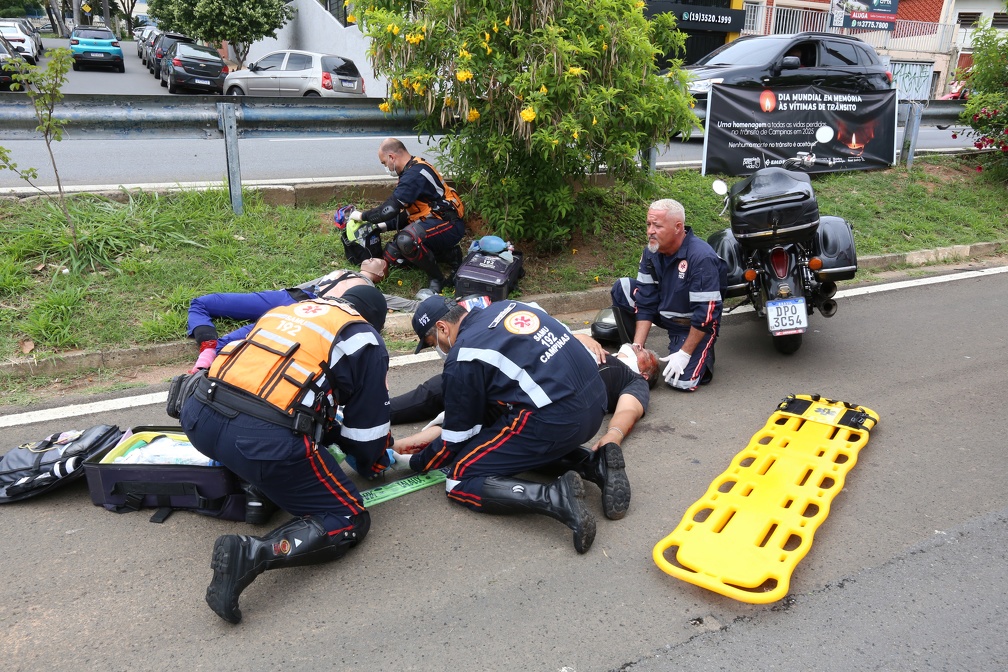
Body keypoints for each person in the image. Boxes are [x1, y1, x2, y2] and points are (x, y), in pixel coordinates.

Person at [179, 286, 394, 624]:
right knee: (348, 515)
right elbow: (366, 434)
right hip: (261, 442)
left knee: (278, 436)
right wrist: (374, 462)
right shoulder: (364, 339)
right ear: (374, 322)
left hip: (198, 417)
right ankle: (253, 553)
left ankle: (257, 483)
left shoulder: (291, 311)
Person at [389, 295, 614, 554]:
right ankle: (595, 464)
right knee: (500, 439)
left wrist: (416, 462)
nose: (438, 348)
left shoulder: (463, 354)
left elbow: (457, 437)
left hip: (557, 422)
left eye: (432, 343)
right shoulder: (506, 308)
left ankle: (555, 497)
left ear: (442, 327)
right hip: (596, 405)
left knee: (461, 478)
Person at [390, 333, 659, 520]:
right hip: (521, 393)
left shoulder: (632, 379)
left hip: (535, 405)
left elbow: (628, 409)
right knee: (441, 396)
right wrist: (582, 339)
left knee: (467, 467)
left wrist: (613, 436)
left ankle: (558, 493)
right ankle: (593, 465)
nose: (637, 346)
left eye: (644, 352)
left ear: (646, 373)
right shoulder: (594, 347)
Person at [186, 258, 413, 372]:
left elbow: (402, 303)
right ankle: (208, 348)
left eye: (377, 262)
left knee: (231, 342)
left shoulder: (370, 292)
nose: (372, 259)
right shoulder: (342, 273)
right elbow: (305, 285)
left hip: (306, 312)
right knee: (201, 303)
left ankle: (209, 356)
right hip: (292, 297)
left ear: (381, 274)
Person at [609, 198, 724, 392]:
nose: (650, 231)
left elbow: (705, 316)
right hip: (664, 311)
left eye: (657, 225)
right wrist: (637, 347)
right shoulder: (651, 251)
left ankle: (700, 347)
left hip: (692, 323)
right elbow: (645, 301)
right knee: (623, 288)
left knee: (682, 383)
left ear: (678, 227)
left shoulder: (701, 257)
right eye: (648, 224)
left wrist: (685, 354)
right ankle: (635, 356)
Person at [347, 138, 466, 293]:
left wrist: (362, 216)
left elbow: (389, 210)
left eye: (384, 163)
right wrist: (379, 227)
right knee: (393, 256)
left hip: (449, 224)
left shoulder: (413, 175)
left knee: (407, 240)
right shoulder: (413, 167)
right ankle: (449, 254)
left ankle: (437, 279)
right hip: (433, 221)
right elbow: (412, 213)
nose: (386, 167)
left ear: (391, 157)